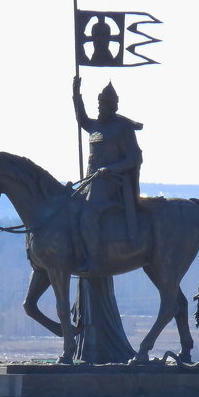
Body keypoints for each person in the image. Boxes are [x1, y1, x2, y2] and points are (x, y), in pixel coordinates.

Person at [72, 75, 143, 270]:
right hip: (91, 180)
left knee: (89, 212)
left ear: (112, 107)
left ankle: (94, 259)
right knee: (69, 202)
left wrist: (110, 169)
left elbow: (135, 158)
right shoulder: (96, 125)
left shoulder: (123, 128)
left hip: (113, 182)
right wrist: (76, 94)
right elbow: (81, 118)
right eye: (98, 105)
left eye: (102, 105)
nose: (99, 108)